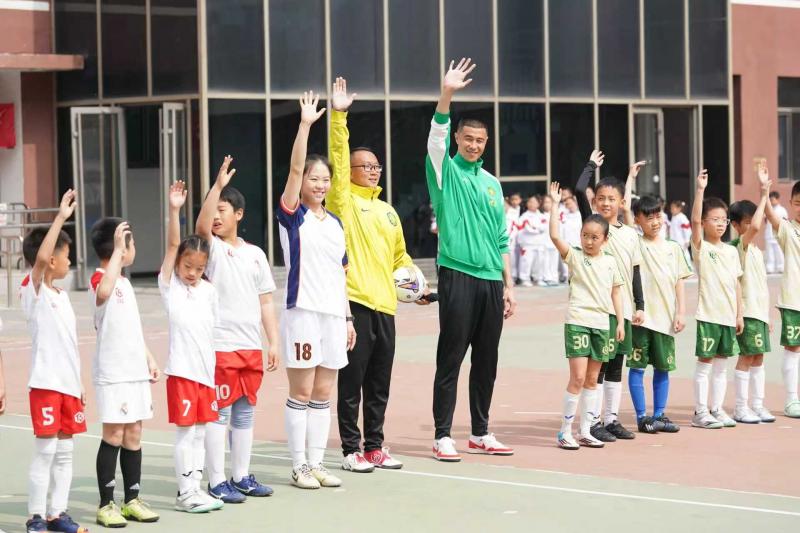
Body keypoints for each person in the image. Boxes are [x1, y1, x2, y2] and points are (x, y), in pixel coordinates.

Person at [328, 77, 426, 472]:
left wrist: (416, 284)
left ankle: (374, 447)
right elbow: (337, 161)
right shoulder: (343, 202)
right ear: (350, 171)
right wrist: (339, 118)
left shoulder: (388, 212)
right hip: (355, 304)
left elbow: (401, 258)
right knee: (352, 383)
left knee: (379, 385)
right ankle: (350, 450)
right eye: (365, 166)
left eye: (375, 166)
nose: (372, 171)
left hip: (386, 307)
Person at [426, 58, 516, 462]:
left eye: (480, 140)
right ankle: (442, 435)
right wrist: (446, 94)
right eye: (467, 139)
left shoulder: (493, 184)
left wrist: (509, 285)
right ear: (458, 139)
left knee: (486, 361)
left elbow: (501, 238)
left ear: (486, 142)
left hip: (491, 281)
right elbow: (436, 137)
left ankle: (480, 432)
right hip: (457, 275)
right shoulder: (445, 173)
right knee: (451, 358)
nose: (474, 145)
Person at [279, 91, 355, 489]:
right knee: (303, 390)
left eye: (325, 179)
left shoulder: (336, 224)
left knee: (324, 391)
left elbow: (341, 276)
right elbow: (294, 169)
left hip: (332, 315)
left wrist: (348, 318)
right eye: (314, 178)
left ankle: (317, 462)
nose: (320, 184)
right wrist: (305, 125)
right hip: (302, 311)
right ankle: (299, 466)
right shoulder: (293, 217)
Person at [195, 157, 280, 502]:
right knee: (220, 412)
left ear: (239, 214)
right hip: (221, 345)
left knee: (245, 411)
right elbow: (201, 227)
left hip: (250, 347)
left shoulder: (256, 254)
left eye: (223, 210)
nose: (216, 216)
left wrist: (273, 342)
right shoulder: (212, 249)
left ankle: (241, 476)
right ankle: (217, 481)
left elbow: (266, 302)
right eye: (214, 210)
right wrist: (216, 187)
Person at [21, 190, 89, 533]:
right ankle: (35, 516)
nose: (69, 261)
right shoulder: (33, 291)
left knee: (65, 453)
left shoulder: (63, 297)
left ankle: (56, 513)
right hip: (45, 384)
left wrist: (78, 384)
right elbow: (39, 262)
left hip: (68, 387)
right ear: (50, 260)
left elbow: (69, 346)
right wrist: (61, 217)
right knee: (46, 451)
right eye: (66, 256)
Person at [89, 218, 161, 527]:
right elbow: (104, 291)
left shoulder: (126, 284)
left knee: (134, 434)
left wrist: (149, 357)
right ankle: (106, 504)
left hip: (134, 371)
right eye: (130, 243)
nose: (134, 248)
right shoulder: (100, 278)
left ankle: (131, 499)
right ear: (119, 247)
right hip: (113, 373)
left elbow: (132, 329)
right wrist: (119, 250)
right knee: (114, 434)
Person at [159, 181, 222, 513]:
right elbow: (173, 245)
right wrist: (175, 210)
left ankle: (196, 487)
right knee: (186, 433)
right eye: (187, 267)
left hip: (205, 375)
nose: (193, 273)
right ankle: (185, 492)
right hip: (182, 372)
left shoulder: (208, 291)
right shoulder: (170, 287)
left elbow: (211, 331)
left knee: (200, 433)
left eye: (199, 268)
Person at [548, 182, 625, 450]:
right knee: (578, 378)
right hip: (578, 322)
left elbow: (616, 292)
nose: (589, 241)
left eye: (595, 237)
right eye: (585, 236)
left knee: (593, 380)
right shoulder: (575, 256)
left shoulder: (611, 262)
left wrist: (620, 322)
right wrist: (555, 204)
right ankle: (565, 431)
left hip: (602, 324)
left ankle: (585, 430)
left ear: (605, 239)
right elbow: (555, 236)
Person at [575, 153, 645, 442]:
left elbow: (635, 271)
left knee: (617, 364)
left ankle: (612, 419)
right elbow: (579, 189)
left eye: (611, 199)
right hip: (599, 310)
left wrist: (640, 305)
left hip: (623, 310)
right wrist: (591, 166)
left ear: (621, 202)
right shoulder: (593, 228)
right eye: (601, 198)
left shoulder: (630, 234)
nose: (605, 203)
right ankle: (592, 422)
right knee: (598, 367)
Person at [628, 196, 692, 434]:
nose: (655, 222)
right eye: (649, 217)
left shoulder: (673, 248)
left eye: (658, 216)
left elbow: (679, 281)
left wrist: (681, 312)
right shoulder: (635, 243)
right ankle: (641, 417)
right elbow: (625, 217)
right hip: (641, 318)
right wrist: (630, 182)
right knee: (637, 367)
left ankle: (659, 415)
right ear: (638, 220)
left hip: (666, 319)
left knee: (663, 368)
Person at [690, 170, 744, 429]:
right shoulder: (702, 248)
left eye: (724, 220)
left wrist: (739, 314)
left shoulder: (731, 252)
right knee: (705, 365)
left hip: (727, 317)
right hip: (709, 316)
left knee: (722, 367)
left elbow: (737, 284)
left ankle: (717, 408)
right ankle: (700, 412)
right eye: (715, 219)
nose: (721, 224)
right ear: (704, 222)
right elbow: (694, 222)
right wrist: (700, 190)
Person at [729, 168, 776, 424]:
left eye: (752, 221)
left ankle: (757, 405)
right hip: (746, 312)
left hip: (759, 313)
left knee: (759, 358)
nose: (752, 226)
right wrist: (764, 193)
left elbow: (763, 286)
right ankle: (740, 407)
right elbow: (757, 225)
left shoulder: (757, 251)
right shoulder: (740, 246)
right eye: (745, 223)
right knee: (746, 357)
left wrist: (768, 316)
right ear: (736, 226)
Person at [765, 177, 800, 418]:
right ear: (790, 204)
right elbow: (770, 216)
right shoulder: (787, 229)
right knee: (793, 348)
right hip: (793, 299)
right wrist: (764, 191)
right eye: (798, 203)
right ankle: (791, 399)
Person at [515, 195, 544, 287]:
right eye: (530, 202)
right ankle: (525, 279)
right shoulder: (524, 216)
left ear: (538, 204)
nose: (531, 204)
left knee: (539, 262)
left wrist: (535, 227)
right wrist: (536, 229)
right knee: (526, 262)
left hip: (539, 243)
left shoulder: (542, 216)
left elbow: (544, 228)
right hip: (527, 244)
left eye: (534, 202)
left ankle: (538, 278)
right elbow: (526, 229)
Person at [765, 190, 788, 273]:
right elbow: (765, 221)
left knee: (779, 252)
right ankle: (770, 268)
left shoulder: (782, 210)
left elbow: (785, 221)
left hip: (779, 234)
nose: (771, 201)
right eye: (770, 200)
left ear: (777, 199)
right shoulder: (768, 209)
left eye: (773, 199)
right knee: (769, 253)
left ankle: (781, 267)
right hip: (769, 234)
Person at [668, 200, 692, 264]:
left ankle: (688, 268)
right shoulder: (674, 216)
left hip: (682, 243)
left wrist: (687, 241)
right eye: (671, 208)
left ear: (679, 208)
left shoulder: (682, 217)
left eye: (673, 208)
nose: (671, 210)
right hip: (674, 242)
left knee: (685, 257)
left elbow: (687, 229)